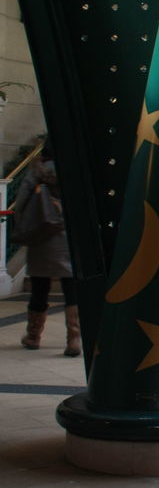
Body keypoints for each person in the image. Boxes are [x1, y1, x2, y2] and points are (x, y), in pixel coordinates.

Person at [14, 145, 79, 356]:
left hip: (41, 237)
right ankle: (74, 340)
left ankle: (33, 336)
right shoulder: (73, 171)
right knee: (71, 288)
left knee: (39, 288)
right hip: (67, 238)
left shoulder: (36, 173)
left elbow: (21, 203)